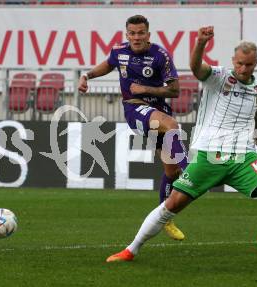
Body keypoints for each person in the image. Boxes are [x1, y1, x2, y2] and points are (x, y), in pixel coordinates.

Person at [106, 26, 257, 265]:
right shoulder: (219, 77)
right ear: (233, 61)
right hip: (209, 157)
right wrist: (200, 43)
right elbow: (196, 68)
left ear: (256, 63)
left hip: (243, 157)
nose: (244, 69)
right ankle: (131, 250)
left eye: (249, 65)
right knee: (171, 205)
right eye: (240, 64)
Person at [78, 15, 189, 241]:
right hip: (134, 108)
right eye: (132, 33)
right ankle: (193, 172)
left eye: (141, 33)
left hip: (158, 109)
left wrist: (146, 89)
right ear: (127, 34)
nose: (136, 37)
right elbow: (108, 65)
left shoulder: (160, 56)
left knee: (171, 172)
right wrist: (87, 75)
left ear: (148, 34)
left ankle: (165, 217)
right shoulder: (119, 52)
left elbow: (175, 91)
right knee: (172, 126)